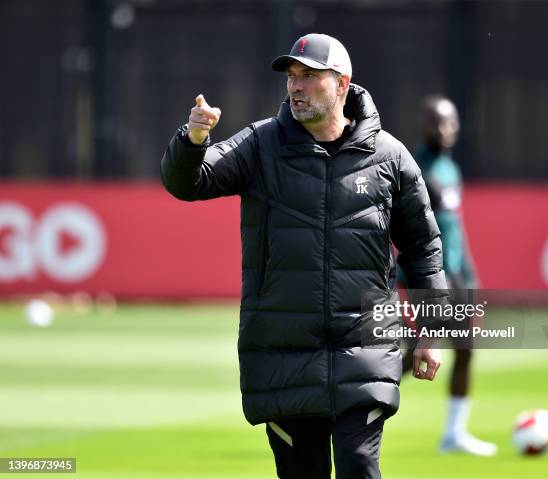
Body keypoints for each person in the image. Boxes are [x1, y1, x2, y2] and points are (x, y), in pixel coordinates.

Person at [161, 33, 447, 479]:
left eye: (310, 76)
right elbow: (188, 183)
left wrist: (431, 330)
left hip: (365, 351)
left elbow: (423, 249)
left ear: (342, 84)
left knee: (359, 468)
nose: (296, 86)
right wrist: (193, 138)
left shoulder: (390, 157)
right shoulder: (259, 144)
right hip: (282, 354)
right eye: (292, 77)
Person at [396, 95, 498, 457]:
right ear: (424, 125)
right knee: (420, 353)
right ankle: (358, 394)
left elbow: (456, 230)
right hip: (427, 278)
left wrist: (472, 280)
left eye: (449, 123)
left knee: (464, 347)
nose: (444, 129)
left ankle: (454, 433)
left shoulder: (449, 169)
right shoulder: (413, 166)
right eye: (436, 123)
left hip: (456, 277)